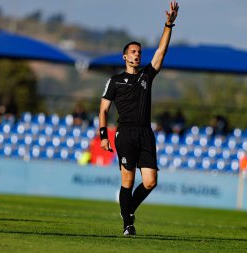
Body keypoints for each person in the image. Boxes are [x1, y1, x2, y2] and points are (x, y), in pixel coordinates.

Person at [98, 1, 179, 236]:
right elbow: (103, 110)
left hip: (145, 133)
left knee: (151, 181)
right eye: (133, 52)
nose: (137, 55)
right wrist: (104, 136)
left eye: (139, 52)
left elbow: (161, 52)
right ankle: (128, 225)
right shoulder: (115, 81)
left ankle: (128, 209)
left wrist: (168, 24)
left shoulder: (147, 75)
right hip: (125, 134)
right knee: (127, 181)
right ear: (125, 56)